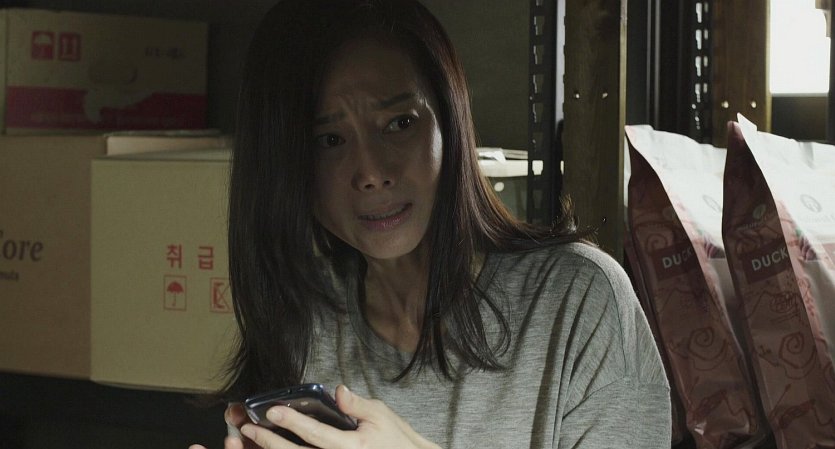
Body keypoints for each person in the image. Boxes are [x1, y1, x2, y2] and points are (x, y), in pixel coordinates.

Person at [191, 0, 671, 448]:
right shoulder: (302, 320)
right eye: (329, 140)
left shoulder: (578, 300)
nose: (372, 173)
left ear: (450, 122)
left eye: (399, 123)